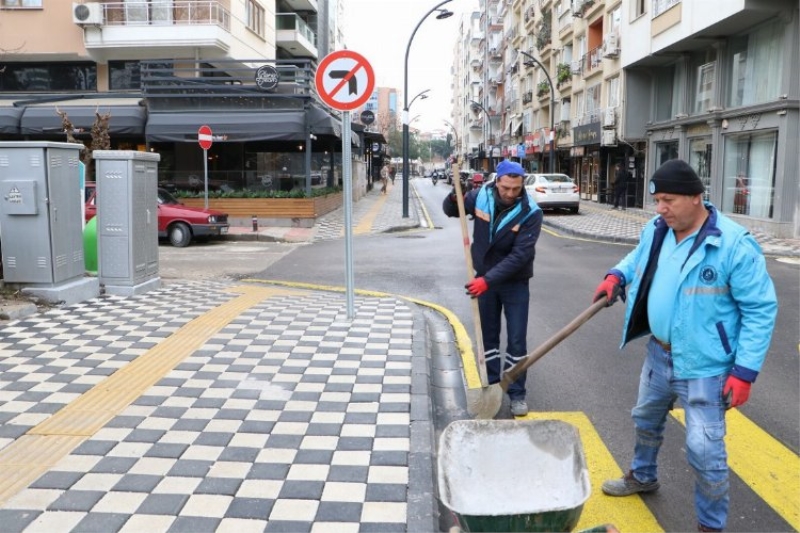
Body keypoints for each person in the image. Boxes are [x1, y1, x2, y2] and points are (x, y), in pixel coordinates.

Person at [592, 159, 777, 533]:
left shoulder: (733, 245)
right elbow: (637, 258)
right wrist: (616, 275)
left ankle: (710, 526)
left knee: (705, 451)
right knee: (645, 420)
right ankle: (642, 475)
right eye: (658, 199)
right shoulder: (657, 229)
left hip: (706, 366)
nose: (661, 208)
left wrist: (744, 373)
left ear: (696, 198)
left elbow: (760, 310)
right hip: (659, 354)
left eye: (669, 200)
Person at [443, 160, 543, 417]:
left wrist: (487, 280)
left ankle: (517, 393)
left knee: (517, 340)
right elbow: (452, 210)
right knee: (487, 337)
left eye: (516, 189)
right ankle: (489, 386)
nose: (510, 194)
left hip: (514, 282)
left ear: (522, 186)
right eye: (506, 187)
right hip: (484, 279)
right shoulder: (480, 197)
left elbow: (520, 256)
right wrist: (455, 197)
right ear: (496, 181)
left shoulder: (531, 212)